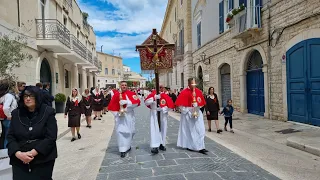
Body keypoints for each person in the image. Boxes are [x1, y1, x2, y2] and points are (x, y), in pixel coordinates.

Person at [7, 86, 57, 179]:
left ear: (38, 97)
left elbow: (51, 137)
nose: (28, 98)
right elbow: (10, 136)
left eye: (31, 96)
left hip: (42, 157)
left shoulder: (48, 112)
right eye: (25, 96)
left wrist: (33, 153)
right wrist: (18, 153)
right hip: (19, 159)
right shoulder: (16, 113)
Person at [175, 78, 208, 154]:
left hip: (197, 113)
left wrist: (198, 106)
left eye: (194, 84)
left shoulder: (198, 91)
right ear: (189, 84)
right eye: (192, 84)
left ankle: (201, 146)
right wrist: (188, 111)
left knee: (201, 130)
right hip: (188, 114)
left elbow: (202, 102)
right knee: (192, 131)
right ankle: (193, 146)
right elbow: (180, 105)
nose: (194, 85)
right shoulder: (184, 92)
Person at [108, 81, 140, 158]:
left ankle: (127, 146)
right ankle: (122, 149)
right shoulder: (116, 95)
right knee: (120, 132)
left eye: (125, 85)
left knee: (130, 132)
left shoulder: (131, 94)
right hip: (120, 117)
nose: (124, 86)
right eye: (122, 85)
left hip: (129, 116)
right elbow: (111, 106)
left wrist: (127, 102)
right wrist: (117, 114)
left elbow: (137, 103)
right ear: (120, 86)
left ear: (127, 86)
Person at [145, 90, 174, 154]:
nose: (160, 88)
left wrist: (163, 109)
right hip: (154, 114)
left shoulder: (165, 96)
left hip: (163, 115)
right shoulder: (152, 95)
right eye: (159, 87)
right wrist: (154, 98)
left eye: (161, 87)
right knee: (154, 129)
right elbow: (146, 102)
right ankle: (155, 145)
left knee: (163, 129)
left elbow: (171, 106)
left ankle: (162, 144)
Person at [0, 79, 18, 149]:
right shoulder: (9, 96)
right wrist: (9, 115)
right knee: (9, 137)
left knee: (5, 136)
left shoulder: (2, 96)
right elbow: (5, 108)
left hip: (3, 118)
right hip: (9, 119)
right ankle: (7, 151)